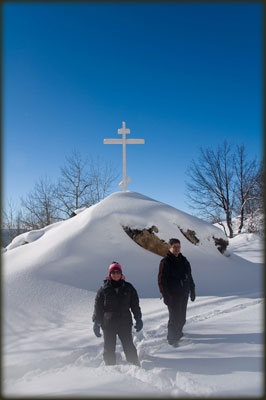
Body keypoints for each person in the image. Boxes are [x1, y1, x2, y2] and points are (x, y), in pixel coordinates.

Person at [92, 261, 143, 366]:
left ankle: (135, 366)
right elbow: (98, 306)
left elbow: (135, 304)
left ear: (121, 274)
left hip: (124, 321)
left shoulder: (128, 288)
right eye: (113, 272)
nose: (116, 274)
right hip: (108, 323)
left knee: (128, 346)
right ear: (110, 274)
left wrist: (138, 317)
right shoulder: (104, 289)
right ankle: (110, 370)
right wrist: (97, 321)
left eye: (118, 272)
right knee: (109, 348)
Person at [158, 238, 196, 347]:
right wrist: (165, 295)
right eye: (174, 247)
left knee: (182, 317)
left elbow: (189, 276)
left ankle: (178, 334)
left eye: (178, 246)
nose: (177, 249)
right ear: (169, 248)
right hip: (172, 295)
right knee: (174, 317)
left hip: (184, 293)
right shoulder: (165, 262)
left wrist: (192, 289)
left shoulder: (184, 260)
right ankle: (171, 339)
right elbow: (161, 281)